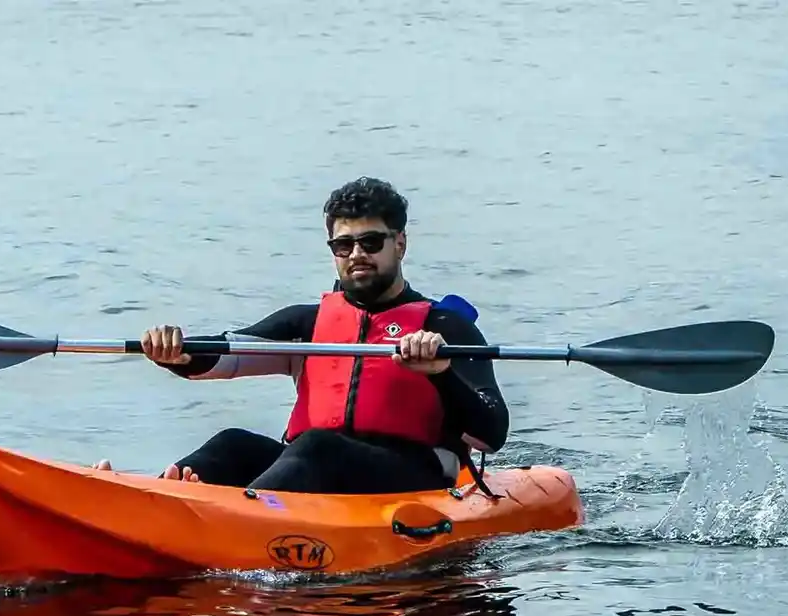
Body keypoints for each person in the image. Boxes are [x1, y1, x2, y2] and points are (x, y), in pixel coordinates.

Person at [93, 177, 510, 495]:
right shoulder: (307, 324)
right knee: (234, 444)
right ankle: (156, 496)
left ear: (399, 244)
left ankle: (239, 514)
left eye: (370, 241)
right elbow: (230, 353)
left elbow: (491, 433)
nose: (357, 254)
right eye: (343, 245)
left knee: (318, 447)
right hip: (312, 466)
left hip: (409, 475)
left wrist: (439, 372)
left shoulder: (444, 327)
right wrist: (177, 354)